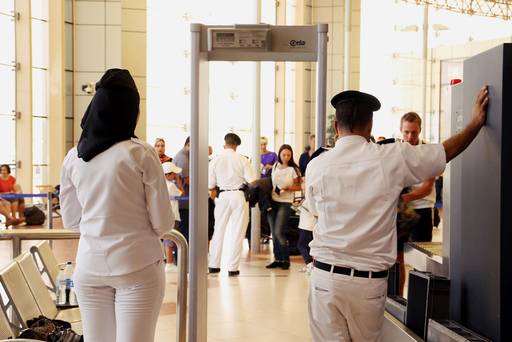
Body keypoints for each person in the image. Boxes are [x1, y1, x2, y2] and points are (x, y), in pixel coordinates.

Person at [304, 87, 488, 341]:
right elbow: (443, 152)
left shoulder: (316, 165)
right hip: (366, 285)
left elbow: (314, 210)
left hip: (324, 278)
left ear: (336, 127)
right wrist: (475, 124)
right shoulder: (390, 157)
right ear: (370, 126)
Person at [60, 69, 174, 342]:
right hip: (137, 266)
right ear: (129, 111)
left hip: (89, 267)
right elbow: (163, 222)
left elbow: (71, 221)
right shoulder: (140, 152)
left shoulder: (73, 157)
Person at [208, 133, 257, 276]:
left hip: (222, 196)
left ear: (225, 143)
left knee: (219, 230)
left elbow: (211, 185)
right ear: (236, 145)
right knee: (238, 232)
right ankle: (232, 268)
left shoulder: (215, 160)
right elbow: (253, 182)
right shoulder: (242, 159)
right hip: (238, 195)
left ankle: (214, 265)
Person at [400, 112, 436, 242]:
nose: (410, 137)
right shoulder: (394, 150)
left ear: (420, 130)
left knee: (421, 255)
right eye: (406, 132)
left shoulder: (430, 152)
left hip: (422, 209)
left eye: (414, 133)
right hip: (400, 209)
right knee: (398, 253)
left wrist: (399, 199)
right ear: (400, 130)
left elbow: (427, 188)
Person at [265, 144, 302, 270]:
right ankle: (278, 259)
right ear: (279, 154)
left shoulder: (294, 169)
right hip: (272, 201)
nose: (286, 157)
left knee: (279, 231)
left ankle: (285, 259)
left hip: (285, 202)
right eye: (284, 155)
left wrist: (287, 188)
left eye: (288, 155)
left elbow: (299, 187)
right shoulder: (275, 165)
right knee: (273, 233)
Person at [162, 161, 184, 273]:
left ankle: (169, 262)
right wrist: (179, 181)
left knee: (167, 239)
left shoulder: (162, 185)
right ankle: (170, 263)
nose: (176, 176)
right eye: (174, 174)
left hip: (166, 215)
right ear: (167, 175)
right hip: (173, 215)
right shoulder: (170, 186)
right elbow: (181, 192)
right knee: (170, 240)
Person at [174, 137, 190, 242]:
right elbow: (188, 180)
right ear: (188, 144)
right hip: (183, 202)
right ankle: (183, 256)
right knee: (183, 230)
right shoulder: (183, 158)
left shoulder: (186, 156)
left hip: (184, 200)